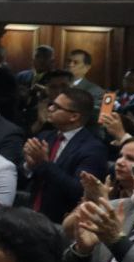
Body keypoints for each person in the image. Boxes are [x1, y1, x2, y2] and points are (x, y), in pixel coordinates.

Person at [24, 86, 110, 223]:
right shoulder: (45, 136)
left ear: (74, 116)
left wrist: (45, 164)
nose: (50, 109)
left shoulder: (93, 149)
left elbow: (79, 192)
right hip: (31, 215)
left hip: (61, 224)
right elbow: (25, 180)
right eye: (51, 104)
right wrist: (28, 166)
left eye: (57, 107)